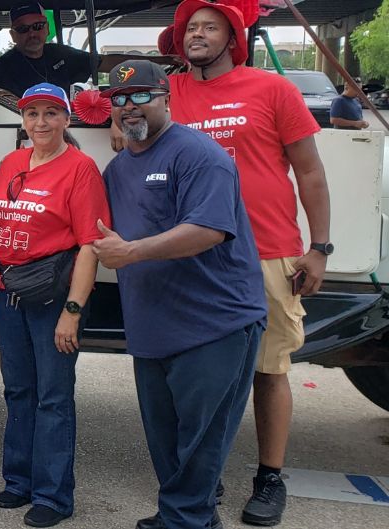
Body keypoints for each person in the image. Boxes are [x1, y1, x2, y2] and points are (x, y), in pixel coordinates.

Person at [166, 2, 332, 524]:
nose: (197, 34)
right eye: (190, 28)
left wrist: (319, 247)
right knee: (197, 374)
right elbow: (113, 112)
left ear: (233, 38)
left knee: (268, 370)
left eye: (210, 27)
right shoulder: (169, 93)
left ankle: (269, 478)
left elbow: (309, 172)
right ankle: (202, 475)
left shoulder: (273, 89)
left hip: (266, 251)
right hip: (193, 253)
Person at [96, 60, 266, 529]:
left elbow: (208, 230)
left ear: (166, 98)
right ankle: (187, 515)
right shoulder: (117, 169)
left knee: (200, 442)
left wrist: (130, 252)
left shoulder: (199, 154)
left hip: (214, 323)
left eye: (140, 97)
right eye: (119, 100)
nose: (130, 109)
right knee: (166, 440)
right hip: (153, 325)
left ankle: (184, 520)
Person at [0, 83, 109, 527]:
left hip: (54, 299)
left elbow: (90, 246)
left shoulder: (81, 168)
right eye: (32, 113)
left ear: (67, 120)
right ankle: (19, 482)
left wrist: (73, 311)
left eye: (51, 113)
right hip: (7, 293)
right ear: (22, 119)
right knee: (18, 391)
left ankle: (53, 495)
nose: (40, 123)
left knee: (52, 397)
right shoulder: (11, 163)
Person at [0, 3, 92, 112]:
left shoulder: (61, 53)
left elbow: (103, 63)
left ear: (47, 28)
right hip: (21, 133)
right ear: (13, 35)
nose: (32, 33)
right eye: (23, 29)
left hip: (64, 129)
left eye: (38, 26)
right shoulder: (3, 66)